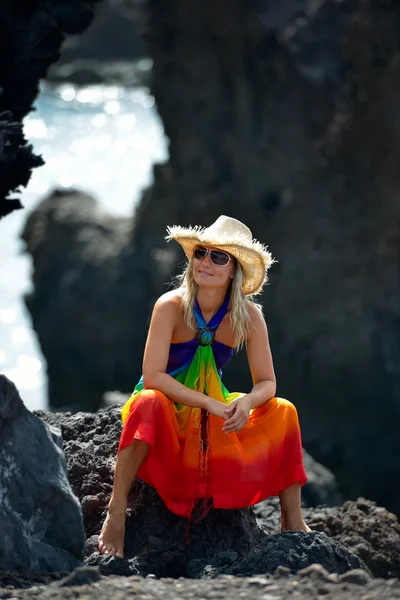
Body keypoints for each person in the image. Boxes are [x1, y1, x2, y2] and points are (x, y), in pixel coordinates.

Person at [99, 215, 310, 558]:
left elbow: (267, 382)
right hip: (167, 412)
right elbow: (153, 377)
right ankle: (116, 510)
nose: (205, 262)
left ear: (234, 270)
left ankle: (293, 518)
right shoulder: (170, 306)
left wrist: (246, 403)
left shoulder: (250, 317)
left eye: (218, 257)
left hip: (210, 412)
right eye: (200, 253)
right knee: (147, 402)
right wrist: (209, 404)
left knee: (284, 410)